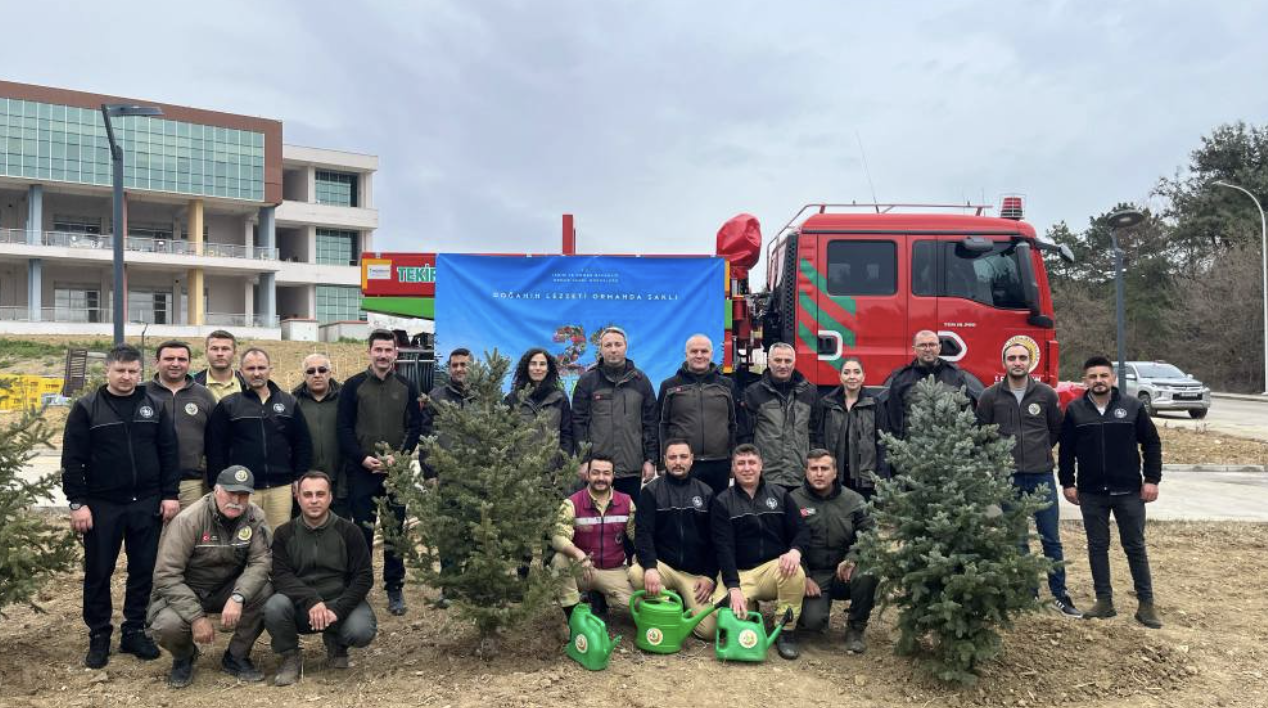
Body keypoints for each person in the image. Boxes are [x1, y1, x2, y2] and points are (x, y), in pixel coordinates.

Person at [62, 344, 179, 669]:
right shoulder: (87, 408)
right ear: (108, 371)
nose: (126, 377)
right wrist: (77, 503)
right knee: (99, 571)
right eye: (120, 371)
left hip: (146, 503)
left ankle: (133, 630)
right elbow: (72, 460)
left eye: (132, 371)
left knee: (142, 570)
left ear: (140, 373)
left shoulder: (154, 406)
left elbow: (169, 453)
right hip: (102, 505)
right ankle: (99, 635)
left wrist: (169, 494)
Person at [1059, 355, 1163, 629]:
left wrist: (1152, 480)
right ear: (1085, 380)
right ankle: (1104, 601)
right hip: (1091, 492)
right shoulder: (1075, 410)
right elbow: (1066, 450)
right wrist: (1067, 482)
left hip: (1128, 491)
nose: (1098, 381)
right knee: (1097, 547)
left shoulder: (1132, 407)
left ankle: (1146, 605)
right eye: (1092, 377)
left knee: (1135, 547)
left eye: (1103, 376)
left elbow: (1151, 444)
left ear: (1113, 379)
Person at [977, 343, 1081, 618]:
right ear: (1004, 363)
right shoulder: (990, 396)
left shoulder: (1045, 394)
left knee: (1050, 537)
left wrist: (1042, 449)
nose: (1017, 362)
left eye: (1022, 358)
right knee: (1018, 538)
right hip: (1007, 477)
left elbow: (1056, 428)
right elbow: (981, 433)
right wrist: (997, 462)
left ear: (1030, 362)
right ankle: (1028, 591)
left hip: (1041, 474)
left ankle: (1060, 594)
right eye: (1012, 358)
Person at [148, 466, 272, 688]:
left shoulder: (255, 517)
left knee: (265, 592)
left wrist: (238, 597)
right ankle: (184, 656)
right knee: (167, 625)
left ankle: (236, 656)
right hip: (189, 589)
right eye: (230, 492)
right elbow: (166, 575)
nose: (236, 500)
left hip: (227, 588)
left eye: (243, 495)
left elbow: (261, 562)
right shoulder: (188, 520)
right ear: (216, 490)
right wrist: (196, 617)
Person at [264, 471, 376, 686]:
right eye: (307, 494)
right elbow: (281, 576)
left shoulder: (350, 531)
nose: (314, 500)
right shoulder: (284, 533)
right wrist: (311, 600)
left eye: (320, 494)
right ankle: (290, 656)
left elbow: (364, 577)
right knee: (274, 606)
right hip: (301, 605)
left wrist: (338, 609)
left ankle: (336, 642)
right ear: (298, 497)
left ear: (330, 497)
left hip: (339, 601)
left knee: (361, 630)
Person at [339, 330, 423, 616]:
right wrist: (362, 458)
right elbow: (344, 429)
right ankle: (360, 588)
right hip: (362, 472)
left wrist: (397, 458)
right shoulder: (353, 386)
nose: (383, 355)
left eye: (389, 350)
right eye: (378, 350)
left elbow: (415, 427)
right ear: (369, 352)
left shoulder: (407, 386)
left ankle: (394, 587)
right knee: (362, 532)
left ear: (396, 353)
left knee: (394, 532)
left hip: (395, 473)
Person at [710, 444, 808, 660]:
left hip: (773, 569)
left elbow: (801, 531)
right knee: (721, 615)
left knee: (795, 571)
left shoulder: (780, 495)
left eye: (752, 463)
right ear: (733, 468)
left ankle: (786, 631)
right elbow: (723, 548)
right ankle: (748, 603)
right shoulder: (722, 501)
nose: (747, 468)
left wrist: (795, 551)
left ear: (761, 466)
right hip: (741, 572)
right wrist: (733, 587)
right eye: (741, 464)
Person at [206, 347, 313, 533]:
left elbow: (302, 443)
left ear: (270, 369)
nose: (257, 373)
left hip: (281, 487)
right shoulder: (229, 405)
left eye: (261, 368)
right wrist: (218, 482)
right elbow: (215, 447)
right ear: (241, 372)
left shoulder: (288, 403)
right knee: (242, 538)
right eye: (251, 369)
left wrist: (299, 476)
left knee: (278, 539)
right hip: (241, 488)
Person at [790, 450, 878, 653]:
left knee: (869, 572)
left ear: (835, 472)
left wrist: (852, 558)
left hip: (843, 572)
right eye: (814, 468)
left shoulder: (854, 500)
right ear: (806, 472)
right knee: (812, 624)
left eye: (824, 468)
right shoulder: (793, 501)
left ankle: (856, 628)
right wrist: (803, 576)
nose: (819, 474)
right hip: (814, 575)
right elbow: (786, 543)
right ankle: (817, 614)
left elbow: (869, 535)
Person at [629, 439, 718, 639]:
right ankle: (669, 606)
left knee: (709, 631)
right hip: (664, 568)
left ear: (692, 459)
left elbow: (716, 540)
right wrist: (650, 567)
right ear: (665, 461)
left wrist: (709, 575)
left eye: (683, 457)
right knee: (637, 574)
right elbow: (643, 534)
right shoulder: (650, 492)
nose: (678, 462)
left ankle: (674, 601)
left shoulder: (706, 492)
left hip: (694, 575)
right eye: (672, 457)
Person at [571, 326, 658, 499]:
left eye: (618, 344)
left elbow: (651, 422)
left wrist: (651, 459)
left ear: (625, 347)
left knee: (629, 520)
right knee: (595, 520)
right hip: (597, 470)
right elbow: (578, 423)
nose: (613, 349)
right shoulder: (587, 381)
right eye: (608, 345)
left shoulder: (641, 381)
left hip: (631, 468)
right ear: (601, 349)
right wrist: (583, 461)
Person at [551, 454, 637, 621]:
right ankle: (573, 618)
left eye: (606, 473)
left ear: (613, 476)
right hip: (584, 569)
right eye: (596, 473)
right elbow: (558, 537)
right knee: (560, 560)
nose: (601, 478)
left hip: (614, 569)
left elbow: (637, 535)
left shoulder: (626, 502)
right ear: (588, 474)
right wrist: (579, 555)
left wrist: (640, 556)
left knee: (637, 603)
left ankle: (600, 595)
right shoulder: (571, 503)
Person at [656, 334, 741, 495]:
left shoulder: (727, 385)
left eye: (704, 351)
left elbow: (734, 424)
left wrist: (733, 459)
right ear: (686, 354)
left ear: (711, 354)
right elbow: (661, 425)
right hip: (683, 463)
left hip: (719, 463)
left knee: (717, 513)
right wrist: (662, 461)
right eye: (694, 351)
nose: (699, 355)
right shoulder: (670, 386)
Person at [145, 340, 216, 509]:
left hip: (191, 484)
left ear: (189, 363)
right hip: (150, 484)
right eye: (169, 358)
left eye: (182, 359)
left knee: (190, 534)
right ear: (157, 362)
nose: (175, 363)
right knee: (153, 535)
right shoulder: (142, 393)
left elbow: (214, 441)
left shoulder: (204, 395)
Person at [810, 357, 889, 501]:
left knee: (863, 520)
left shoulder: (874, 404)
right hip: (834, 478)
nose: (852, 376)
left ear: (863, 376)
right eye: (846, 372)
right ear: (840, 377)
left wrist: (881, 474)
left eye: (856, 372)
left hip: (865, 479)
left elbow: (883, 442)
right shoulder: (827, 404)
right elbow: (818, 438)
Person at [882, 330, 983, 441]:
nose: (928, 349)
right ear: (914, 349)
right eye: (922, 345)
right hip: (913, 451)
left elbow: (968, 414)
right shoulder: (901, 379)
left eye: (932, 344)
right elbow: (894, 422)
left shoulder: (956, 376)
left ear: (939, 348)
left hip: (949, 450)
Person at [742, 342, 816, 492]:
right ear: (769, 362)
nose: (783, 365)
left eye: (787, 361)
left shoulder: (810, 392)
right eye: (777, 360)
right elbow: (745, 436)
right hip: (767, 475)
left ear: (794, 363)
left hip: (799, 474)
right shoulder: (753, 392)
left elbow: (816, 433)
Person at [294, 353, 346, 515]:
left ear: (330, 373)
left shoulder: (345, 399)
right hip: (306, 482)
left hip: (340, 480)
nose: (317, 374)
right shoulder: (293, 402)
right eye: (310, 371)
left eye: (322, 370)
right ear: (304, 375)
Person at [506, 347, 574, 457]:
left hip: (553, 470)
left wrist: (562, 462)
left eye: (542, 364)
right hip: (519, 470)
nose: (538, 368)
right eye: (533, 364)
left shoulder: (560, 398)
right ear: (526, 367)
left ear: (548, 369)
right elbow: (505, 435)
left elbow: (567, 434)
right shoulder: (513, 399)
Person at [193, 329, 248, 402]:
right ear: (206, 352)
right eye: (214, 349)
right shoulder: (192, 383)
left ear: (234, 353)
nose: (220, 353)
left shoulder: (248, 383)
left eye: (225, 349)